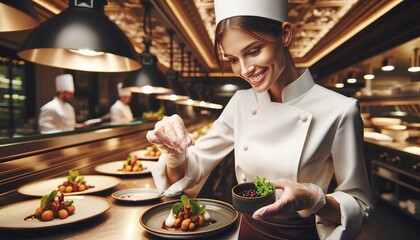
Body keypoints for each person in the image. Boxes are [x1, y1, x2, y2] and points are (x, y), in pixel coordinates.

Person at [146, 0, 373, 239]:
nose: (244, 70)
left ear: (285, 35)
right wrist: (174, 155)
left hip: (299, 234)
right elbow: (192, 169)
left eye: (253, 51)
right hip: (248, 231)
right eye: (233, 59)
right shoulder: (240, 102)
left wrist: (315, 199)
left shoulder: (340, 110)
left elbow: (360, 205)